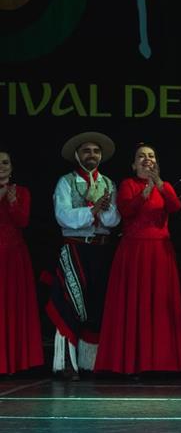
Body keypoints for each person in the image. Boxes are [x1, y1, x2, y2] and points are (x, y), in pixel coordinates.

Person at [95, 143, 181, 375]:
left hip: (160, 254)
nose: (147, 159)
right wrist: (143, 195)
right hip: (134, 253)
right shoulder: (128, 184)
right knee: (134, 306)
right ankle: (133, 361)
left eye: (151, 156)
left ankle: (161, 362)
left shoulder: (164, 186)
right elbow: (125, 211)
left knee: (159, 306)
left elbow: (175, 207)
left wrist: (158, 185)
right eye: (141, 157)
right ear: (133, 164)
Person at [45, 131, 121, 380]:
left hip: (101, 249)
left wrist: (102, 211)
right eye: (87, 151)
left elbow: (114, 220)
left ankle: (91, 363)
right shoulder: (66, 182)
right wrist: (92, 211)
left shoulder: (108, 183)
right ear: (77, 155)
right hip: (76, 247)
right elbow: (63, 216)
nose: (92, 155)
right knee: (70, 302)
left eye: (96, 151)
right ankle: (66, 363)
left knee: (97, 304)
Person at [0, 147, 44, 374]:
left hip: (13, 257)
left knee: (11, 309)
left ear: (11, 167)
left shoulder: (22, 192)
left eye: (5, 163)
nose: (1, 167)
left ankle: (13, 362)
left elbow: (22, 221)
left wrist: (12, 202)